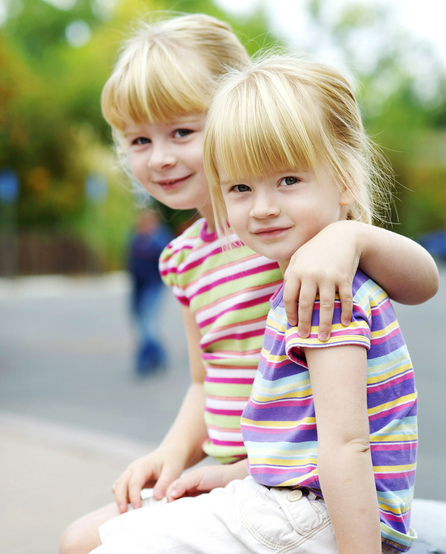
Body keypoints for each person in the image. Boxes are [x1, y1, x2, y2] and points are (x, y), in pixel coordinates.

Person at [58, 14, 438, 554]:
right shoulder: (186, 256)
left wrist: (352, 237)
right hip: (257, 471)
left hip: (292, 486)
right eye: (139, 139)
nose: (162, 156)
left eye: (182, 131)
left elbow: (419, 282)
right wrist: (171, 452)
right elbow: (203, 380)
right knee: (78, 538)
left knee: (87, 544)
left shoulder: (290, 238)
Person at [127, 207, 173, 375]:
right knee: (140, 323)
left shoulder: (159, 238)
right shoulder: (136, 237)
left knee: (148, 325)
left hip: (154, 286)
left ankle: (147, 360)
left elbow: (166, 260)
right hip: (138, 286)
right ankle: (156, 358)